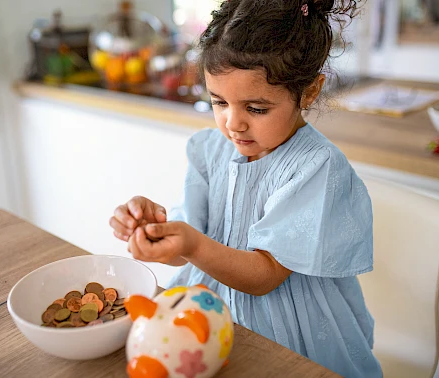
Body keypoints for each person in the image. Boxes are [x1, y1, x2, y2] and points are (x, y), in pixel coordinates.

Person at [109, 0, 382, 376]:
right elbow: (185, 251)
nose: (233, 123)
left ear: (309, 92)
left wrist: (190, 243)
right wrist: (158, 231)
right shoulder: (211, 151)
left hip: (288, 332)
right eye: (219, 102)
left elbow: (265, 275)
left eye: (256, 108)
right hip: (208, 317)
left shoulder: (316, 166)